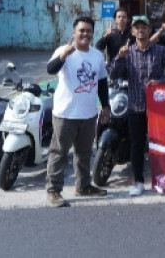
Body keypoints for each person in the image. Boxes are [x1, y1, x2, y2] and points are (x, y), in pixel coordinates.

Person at [109, 15, 165, 196]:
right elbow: (113, 75)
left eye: (144, 27)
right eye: (137, 27)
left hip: (158, 109)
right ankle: (139, 181)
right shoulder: (127, 52)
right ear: (132, 31)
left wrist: (161, 81)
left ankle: (164, 179)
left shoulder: (161, 51)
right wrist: (118, 57)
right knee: (137, 145)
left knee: (162, 145)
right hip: (135, 106)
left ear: (150, 30)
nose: (141, 30)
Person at [45, 15, 110, 207]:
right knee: (59, 153)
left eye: (89, 31)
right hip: (65, 114)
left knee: (83, 153)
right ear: (74, 32)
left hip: (88, 114)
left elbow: (102, 82)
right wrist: (64, 54)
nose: (85, 34)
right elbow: (50, 69)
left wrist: (105, 106)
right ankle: (53, 191)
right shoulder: (63, 51)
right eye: (82, 30)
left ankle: (83, 186)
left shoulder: (97, 55)